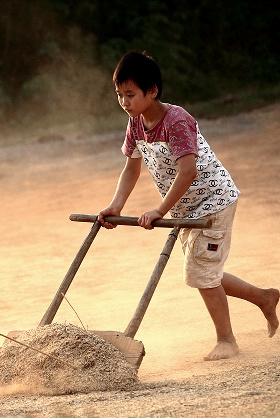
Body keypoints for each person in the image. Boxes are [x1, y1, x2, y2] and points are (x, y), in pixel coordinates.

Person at [98, 51, 278, 361]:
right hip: (185, 208)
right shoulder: (136, 124)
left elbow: (188, 171)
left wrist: (159, 210)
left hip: (213, 201)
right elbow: (131, 168)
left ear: (152, 91)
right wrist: (115, 205)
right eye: (119, 95)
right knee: (204, 269)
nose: (124, 102)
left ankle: (227, 340)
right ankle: (264, 298)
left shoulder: (176, 120)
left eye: (130, 94)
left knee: (200, 271)